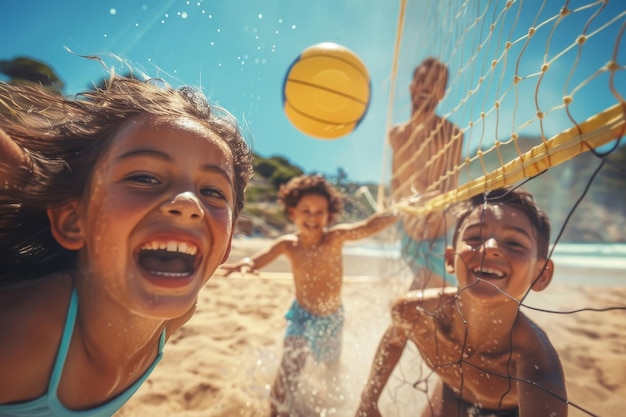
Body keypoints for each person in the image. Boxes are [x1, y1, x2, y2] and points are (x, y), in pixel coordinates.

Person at [0, 74, 254, 416]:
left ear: (226, 247)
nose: (188, 203)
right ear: (73, 221)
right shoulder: (24, 335)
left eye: (212, 191)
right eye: (144, 178)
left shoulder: (171, 319)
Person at [355, 187, 567, 417]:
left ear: (541, 274)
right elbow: (393, 340)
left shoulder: (536, 367)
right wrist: (368, 400)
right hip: (451, 394)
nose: (490, 248)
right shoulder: (412, 312)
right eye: (475, 238)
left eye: (514, 243)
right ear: (449, 259)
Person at [219, 174, 399, 417]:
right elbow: (262, 257)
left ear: (329, 215)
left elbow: (367, 227)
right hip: (302, 316)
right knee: (291, 366)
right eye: (306, 210)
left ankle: (331, 401)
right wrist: (248, 264)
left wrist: (399, 210)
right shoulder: (289, 245)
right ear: (293, 212)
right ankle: (277, 407)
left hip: (333, 318)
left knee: (330, 367)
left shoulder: (335, 239)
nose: (313, 217)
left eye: (320, 212)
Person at [389, 57, 464, 290]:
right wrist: (405, 212)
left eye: (434, 83)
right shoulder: (397, 134)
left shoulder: (452, 133)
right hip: (408, 219)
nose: (425, 86)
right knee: (425, 294)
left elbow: (451, 181)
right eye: (421, 79)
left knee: (427, 292)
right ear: (412, 85)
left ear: (441, 93)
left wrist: (440, 216)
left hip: (441, 221)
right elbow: (396, 179)